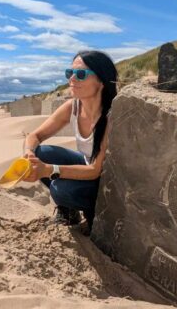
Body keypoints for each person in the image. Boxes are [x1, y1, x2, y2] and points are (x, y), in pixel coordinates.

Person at [23, 50, 118, 231]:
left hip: (104, 182)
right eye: (70, 73)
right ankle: (69, 211)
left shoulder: (110, 117)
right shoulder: (72, 106)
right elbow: (34, 136)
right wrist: (29, 153)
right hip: (85, 167)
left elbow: (94, 171)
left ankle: (91, 212)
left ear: (101, 81)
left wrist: (49, 170)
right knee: (40, 153)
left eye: (81, 74)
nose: (72, 79)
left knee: (60, 189)